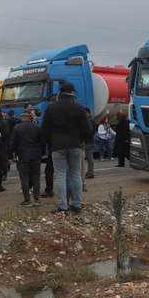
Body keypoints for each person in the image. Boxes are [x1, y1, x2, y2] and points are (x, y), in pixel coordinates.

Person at [41, 83, 92, 213]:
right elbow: (87, 129)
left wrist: (50, 143)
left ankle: (62, 206)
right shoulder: (79, 108)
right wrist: (80, 140)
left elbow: (44, 130)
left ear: (60, 93)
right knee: (76, 175)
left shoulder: (51, 108)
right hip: (75, 145)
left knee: (60, 175)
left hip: (57, 146)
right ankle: (77, 204)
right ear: (73, 93)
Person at [9, 110, 43, 206]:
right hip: (35, 156)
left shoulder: (17, 128)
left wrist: (12, 153)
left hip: (23, 156)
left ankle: (27, 200)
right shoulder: (37, 127)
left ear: (23, 117)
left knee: (24, 178)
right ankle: (37, 199)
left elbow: (12, 143)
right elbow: (42, 141)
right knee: (36, 177)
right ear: (30, 117)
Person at [84, 108, 96, 179]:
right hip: (90, 141)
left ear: (88, 113)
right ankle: (90, 172)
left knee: (89, 158)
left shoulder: (89, 120)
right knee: (89, 158)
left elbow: (90, 130)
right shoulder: (92, 120)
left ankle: (90, 173)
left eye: (85, 113)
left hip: (87, 141)